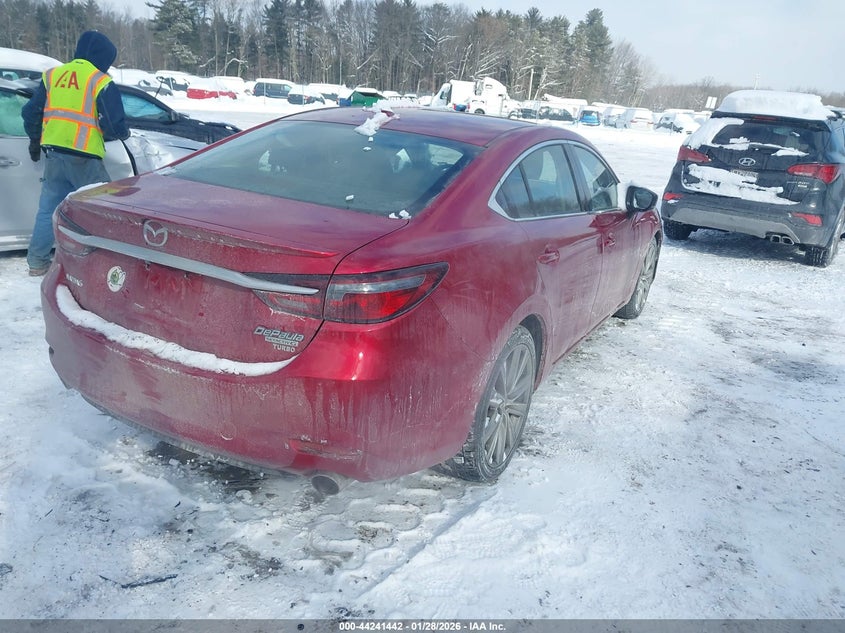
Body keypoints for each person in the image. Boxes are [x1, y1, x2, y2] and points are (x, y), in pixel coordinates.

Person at [21, 30, 129, 276]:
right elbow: (114, 126)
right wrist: (121, 133)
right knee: (103, 210)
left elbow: (30, 113)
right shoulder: (100, 80)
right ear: (103, 57)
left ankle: (37, 262)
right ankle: (101, 265)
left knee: (48, 209)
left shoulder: (52, 75)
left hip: (54, 154)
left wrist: (35, 140)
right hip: (85, 157)